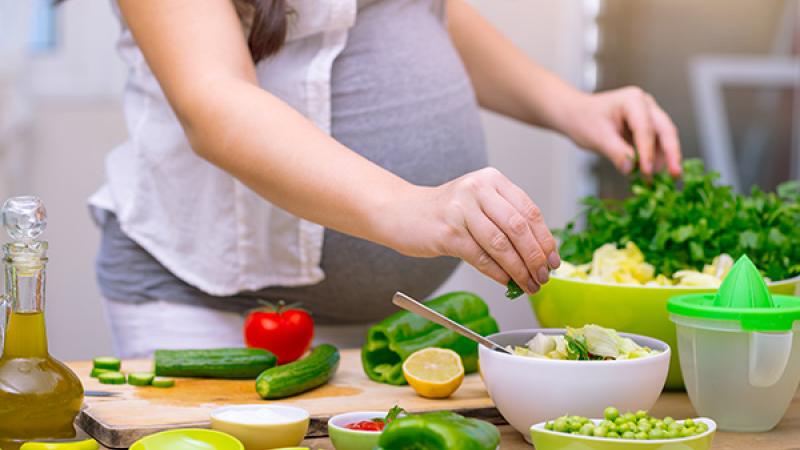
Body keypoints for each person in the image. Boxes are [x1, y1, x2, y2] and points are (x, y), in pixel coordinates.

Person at [88, 0, 682, 357]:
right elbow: (213, 103)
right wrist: (412, 207)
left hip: (387, 325)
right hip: (213, 307)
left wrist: (569, 105)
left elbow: (421, 12)